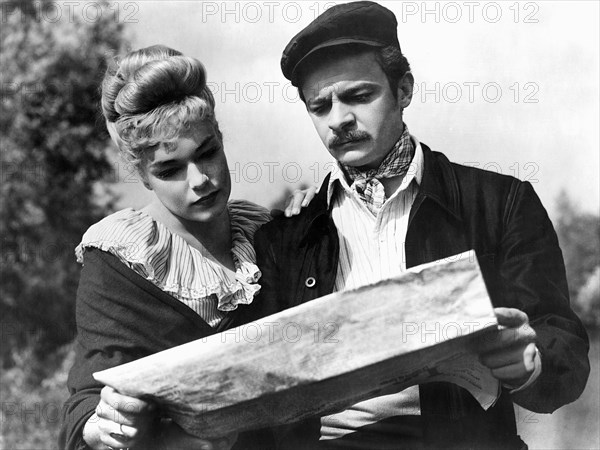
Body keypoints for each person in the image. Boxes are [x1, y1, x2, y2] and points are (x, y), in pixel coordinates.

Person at [244, 1, 591, 448]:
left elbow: (565, 350)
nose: (339, 119)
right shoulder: (286, 236)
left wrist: (530, 363)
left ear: (404, 89)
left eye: (359, 96)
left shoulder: (502, 202)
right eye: (320, 105)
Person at [59, 44, 313, 450]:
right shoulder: (120, 261)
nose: (200, 180)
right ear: (143, 175)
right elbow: (91, 395)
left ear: (221, 139)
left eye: (207, 153)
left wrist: (313, 228)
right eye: (170, 169)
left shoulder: (267, 235)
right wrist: (100, 424)